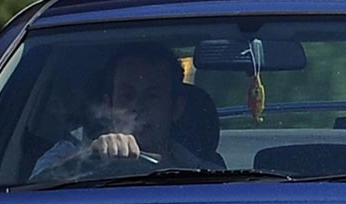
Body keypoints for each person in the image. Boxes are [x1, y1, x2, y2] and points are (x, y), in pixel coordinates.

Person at [30, 44, 223, 182]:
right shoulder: (66, 154)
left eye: (152, 95)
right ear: (108, 105)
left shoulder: (207, 175)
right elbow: (31, 200)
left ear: (176, 108)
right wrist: (89, 159)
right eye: (126, 95)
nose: (137, 106)